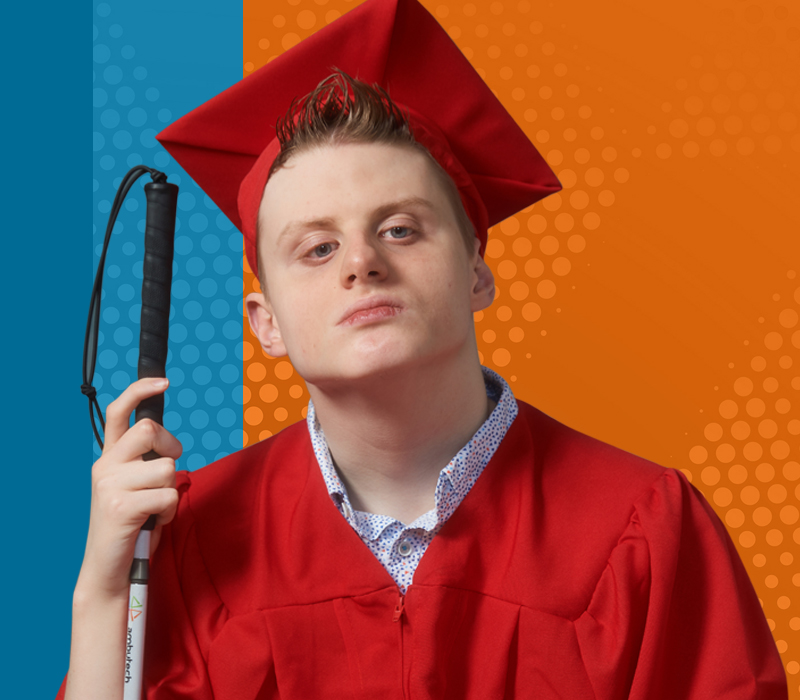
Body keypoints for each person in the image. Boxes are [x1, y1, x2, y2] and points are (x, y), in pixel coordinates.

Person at [61, 0, 788, 697]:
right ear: (266, 324)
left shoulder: (643, 527)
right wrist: (101, 595)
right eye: (316, 248)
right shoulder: (189, 543)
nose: (361, 262)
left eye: (401, 229)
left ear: (476, 270)